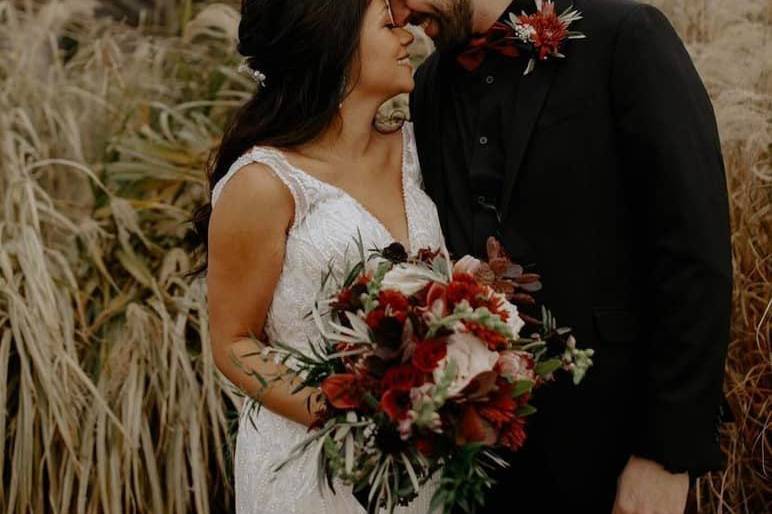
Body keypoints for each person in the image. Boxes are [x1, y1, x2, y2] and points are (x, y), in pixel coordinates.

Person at [389, 0, 733, 513]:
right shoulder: (431, 85)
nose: (400, 11)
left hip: (615, 448)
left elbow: (693, 251)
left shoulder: (624, 37)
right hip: (483, 465)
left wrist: (666, 456)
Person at [198, 1, 444, 512]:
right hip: (312, 466)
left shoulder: (419, 148)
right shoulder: (263, 184)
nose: (409, 38)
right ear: (335, 45)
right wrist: (345, 415)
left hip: (424, 456)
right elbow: (232, 343)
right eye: (388, 25)